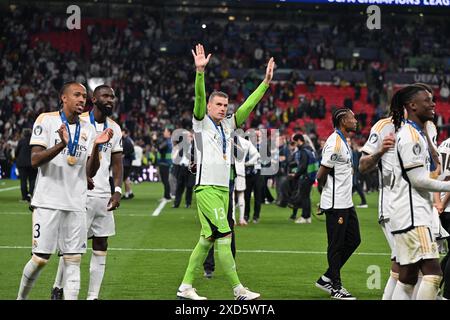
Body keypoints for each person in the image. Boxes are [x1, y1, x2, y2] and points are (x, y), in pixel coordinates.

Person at [176, 44, 273, 300]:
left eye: (225, 105)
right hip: (206, 188)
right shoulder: (201, 121)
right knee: (225, 235)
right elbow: (198, 97)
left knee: (206, 239)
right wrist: (199, 73)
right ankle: (238, 290)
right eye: (218, 104)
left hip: (222, 189)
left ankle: (185, 286)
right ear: (209, 107)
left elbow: (249, 106)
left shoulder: (229, 125)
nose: (222, 108)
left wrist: (265, 83)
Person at [17, 82, 113, 300]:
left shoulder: (88, 129)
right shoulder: (46, 120)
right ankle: (21, 298)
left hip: (77, 204)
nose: (82, 99)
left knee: (73, 260)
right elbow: (34, 160)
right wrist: (61, 144)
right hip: (48, 202)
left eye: (84, 96)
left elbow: (90, 171)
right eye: (77, 95)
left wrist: (97, 147)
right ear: (64, 98)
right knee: (40, 258)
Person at [50, 84, 123, 300]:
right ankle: (58, 287)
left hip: (103, 196)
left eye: (113, 96)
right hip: (79, 194)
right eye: (105, 96)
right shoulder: (79, 124)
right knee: (72, 248)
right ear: (94, 98)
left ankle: (93, 296)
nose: (110, 100)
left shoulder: (115, 128)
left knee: (102, 243)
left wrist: (117, 190)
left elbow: (117, 162)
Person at [389, 84, 449, 300]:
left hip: (406, 214)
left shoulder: (414, 134)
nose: (433, 104)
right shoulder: (411, 137)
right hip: (413, 217)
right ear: (412, 105)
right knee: (433, 274)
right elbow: (418, 180)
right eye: (427, 100)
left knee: (407, 276)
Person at [315, 107, 360, 300]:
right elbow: (321, 174)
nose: (355, 120)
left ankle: (327, 277)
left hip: (346, 202)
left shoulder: (343, 140)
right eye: (352, 118)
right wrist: (323, 198)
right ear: (343, 120)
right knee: (336, 245)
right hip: (336, 204)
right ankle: (336, 287)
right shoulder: (335, 143)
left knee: (354, 240)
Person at [359, 116, 397, 299]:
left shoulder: (426, 129)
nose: (433, 105)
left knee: (415, 266)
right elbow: (363, 165)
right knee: (411, 266)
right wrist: (381, 150)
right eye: (427, 100)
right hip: (391, 208)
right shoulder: (383, 127)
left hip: (419, 209)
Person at [290, 133, 318, 224]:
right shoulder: (309, 149)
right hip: (310, 176)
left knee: (304, 197)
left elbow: (302, 166)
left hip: (305, 177)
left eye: (295, 142)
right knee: (306, 197)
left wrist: (296, 175)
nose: (295, 144)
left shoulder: (303, 151)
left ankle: (304, 216)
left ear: (299, 140)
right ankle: (307, 217)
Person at [172, 130, 195, 208]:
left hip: (190, 168)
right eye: (188, 136)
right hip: (182, 167)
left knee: (189, 186)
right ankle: (176, 203)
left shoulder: (196, 146)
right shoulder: (183, 145)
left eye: (190, 136)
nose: (189, 138)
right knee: (179, 186)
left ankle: (188, 203)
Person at [15, 128, 37, 202]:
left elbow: (16, 152)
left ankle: (24, 197)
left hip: (22, 164)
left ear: (24, 134)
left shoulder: (21, 141)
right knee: (32, 179)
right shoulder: (34, 141)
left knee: (23, 181)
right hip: (32, 163)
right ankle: (31, 195)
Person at [157, 127, 173, 203]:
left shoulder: (167, 141)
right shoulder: (168, 141)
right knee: (164, 180)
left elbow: (159, 148)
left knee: (165, 180)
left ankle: (167, 196)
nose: (164, 132)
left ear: (169, 133)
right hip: (165, 162)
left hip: (165, 163)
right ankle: (166, 196)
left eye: (165, 131)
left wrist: (154, 140)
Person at [121, 128, 134, 199]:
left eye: (121, 131)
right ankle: (130, 192)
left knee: (124, 178)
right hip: (128, 162)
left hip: (126, 162)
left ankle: (127, 194)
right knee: (126, 179)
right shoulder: (128, 140)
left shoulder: (127, 141)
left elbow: (131, 150)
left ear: (124, 132)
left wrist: (124, 155)